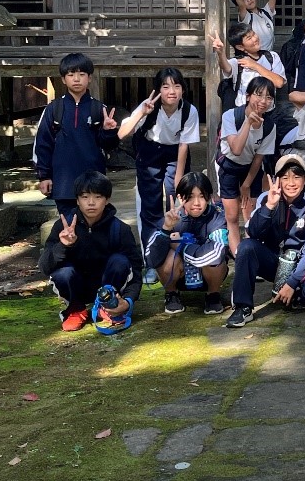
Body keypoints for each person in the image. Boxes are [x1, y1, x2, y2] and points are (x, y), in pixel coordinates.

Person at [226, 154, 305, 327]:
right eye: (285, 178)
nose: (291, 183)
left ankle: (296, 293)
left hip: (299, 263)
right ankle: (242, 307)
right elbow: (252, 232)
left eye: (296, 177)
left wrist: (292, 283)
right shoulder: (265, 199)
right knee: (246, 248)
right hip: (273, 260)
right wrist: (269, 207)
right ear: (277, 180)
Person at [116, 67, 200, 283]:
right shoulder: (149, 106)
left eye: (177, 85)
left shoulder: (189, 111)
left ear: (183, 89)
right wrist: (141, 113)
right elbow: (122, 133)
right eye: (166, 86)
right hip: (149, 151)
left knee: (177, 200)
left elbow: (183, 146)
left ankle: (177, 253)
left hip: (174, 153)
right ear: (158, 90)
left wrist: (179, 181)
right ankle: (151, 262)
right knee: (150, 204)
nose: (172, 91)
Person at [38, 171, 142, 332]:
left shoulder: (119, 229)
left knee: (120, 261)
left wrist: (128, 301)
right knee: (62, 273)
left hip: (108, 286)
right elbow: (45, 267)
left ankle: (108, 308)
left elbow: (135, 270)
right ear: (77, 200)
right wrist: (63, 245)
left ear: (107, 200)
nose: (91, 203)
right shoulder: (63, 227)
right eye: (85, 197)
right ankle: (75, 309)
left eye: (98, 197)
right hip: (76, 285)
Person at [33, 52, 119, 213]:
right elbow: (43, 144)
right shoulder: (54, 109)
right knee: (69, 229)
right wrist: (44, 176)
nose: (76, 79)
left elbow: (109, 147)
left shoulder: (99, 109)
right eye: (71, 74)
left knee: (93, 229)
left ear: (90, 78)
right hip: (64, 184)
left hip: (94, 184)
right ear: (63, 79)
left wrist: (109, 131)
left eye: (82, 74)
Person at [145, 172, 229, 316]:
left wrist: (181, 247)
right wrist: (166, 230)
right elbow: (151, 259)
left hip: (208, 275)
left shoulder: (217, 218)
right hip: (179, 276)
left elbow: (216, 254)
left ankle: (213, 294)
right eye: (190, 197)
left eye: (202, 196)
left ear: (208, 197)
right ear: (180, 197)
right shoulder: (170, 218)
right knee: (167, 256)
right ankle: (172, 293)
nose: (196, 203)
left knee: (217, 260)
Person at [217, 76, 277, 256]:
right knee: (232, 216)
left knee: (251, 214)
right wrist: (248, 122)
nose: (263, 101)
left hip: (251, 169)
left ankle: (250, 253)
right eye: (259, 95)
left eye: (269, 97)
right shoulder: (230, 116)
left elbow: (259, 158)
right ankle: (237, 255)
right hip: (228, 166)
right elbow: (235, 149)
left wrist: (246, 185)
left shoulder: (269, 126)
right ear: (248, 96)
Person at [210, 21, 286, 111]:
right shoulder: (238, 62)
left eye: (253, 34)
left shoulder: (272, 57)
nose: (255, 39)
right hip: (242, 111)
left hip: (267, 111)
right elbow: (226, 67)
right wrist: (220, 53)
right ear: (240, 47)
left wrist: (256, 66)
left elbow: (279, 83)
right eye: (249, 38)